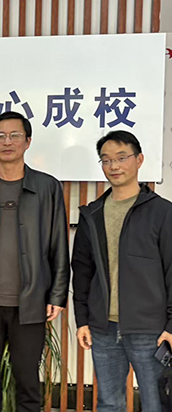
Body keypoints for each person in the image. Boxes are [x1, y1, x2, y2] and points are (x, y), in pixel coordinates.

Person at [0, 111, 70, 412]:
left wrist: (57, 295)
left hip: (30, 302)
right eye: (0, 136)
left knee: (28, 382)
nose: (7, 142)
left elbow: (59, 244)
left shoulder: (48, 187)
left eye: (15, 135)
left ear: (28, 141)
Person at [72, 130, 172, 412]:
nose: (113, 166)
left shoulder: (162, 212)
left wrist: (170, 326)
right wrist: (82, 320)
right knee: (108, 403)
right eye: (106, 160)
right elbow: (82, 271)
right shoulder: (92, 214)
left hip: (150, 329)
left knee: (156, 403)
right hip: (103, 327)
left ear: (139, 160)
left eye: (121, 157)